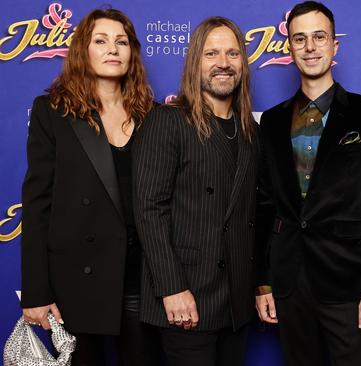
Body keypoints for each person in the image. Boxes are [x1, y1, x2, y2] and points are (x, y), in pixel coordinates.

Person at [254, 2, 361, 365]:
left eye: (319, 37)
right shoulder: (271, 121)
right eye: (300, 39)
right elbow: (265, 205)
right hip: (290, 283)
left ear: (335, 46)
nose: (310, 47)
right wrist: (264, 280)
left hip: (349, 282)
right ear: (290, 49)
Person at [21, 8, 160, 365]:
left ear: (132, 53)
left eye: (121, 41)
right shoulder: (53, 112)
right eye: (101, 40)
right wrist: (36, 292)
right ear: (84, 49)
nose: (113, 49)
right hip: (78, 281)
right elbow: (37, 205)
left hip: (142, 278)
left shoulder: (155, 116)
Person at [132, 16, 258, 366]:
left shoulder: (249, 132)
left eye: (232, 54)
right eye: (211, 53)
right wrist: (172, 287)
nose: (223, 63)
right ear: (194, 62)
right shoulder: (168, 121)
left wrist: (260, 286)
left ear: (243, 64)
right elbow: (148, 208)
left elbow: (253, 216)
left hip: (235, 304)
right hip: (185, 298)